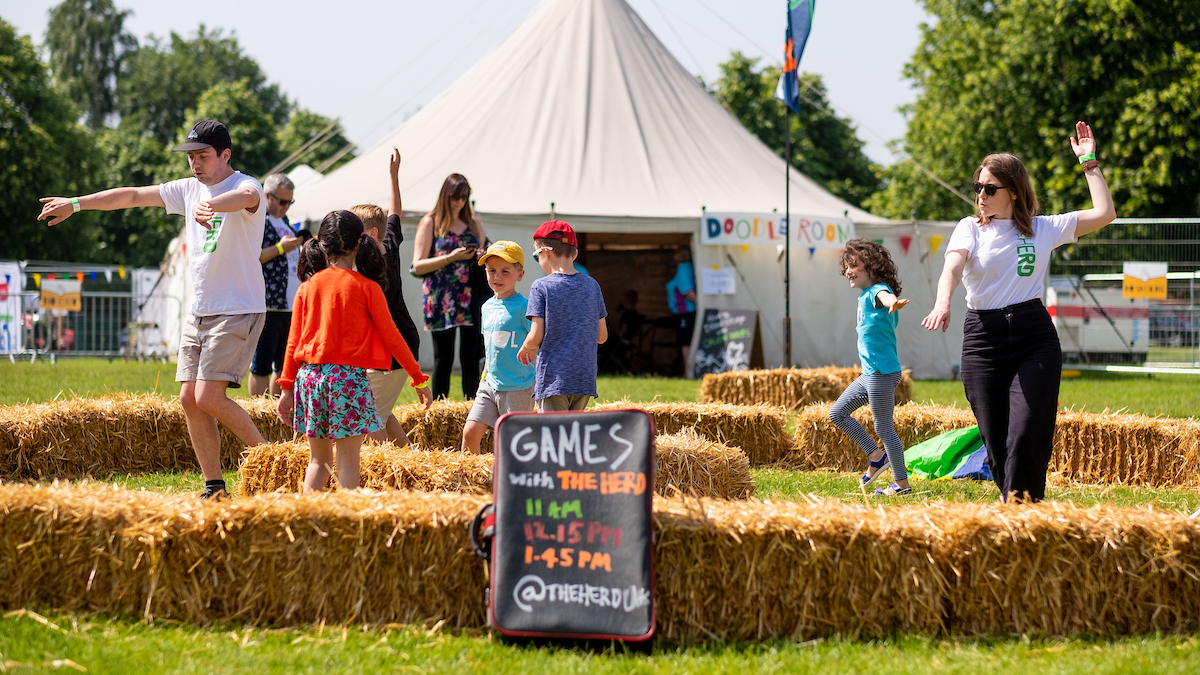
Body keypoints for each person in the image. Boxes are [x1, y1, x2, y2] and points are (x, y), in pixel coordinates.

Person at [37, 119, 268, 500]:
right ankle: (215, 487)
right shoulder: (187, 189)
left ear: (225, 155)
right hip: (201, 309)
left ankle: (273, 461)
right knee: (188, 399)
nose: (195, 163)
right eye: (191, 156)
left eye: (203, 156)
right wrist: (76, 204)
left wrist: (210, 204)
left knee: (208, 397)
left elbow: (245, 198)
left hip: (237, 308)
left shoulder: (246, 185)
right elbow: (130, 195)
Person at [921, 121, 1116, 502]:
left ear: (1012, 191)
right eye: (977, 186)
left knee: (1027, 430)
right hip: (983, 338)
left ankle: (1020, 513)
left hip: (1033, 335)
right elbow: (953, 267)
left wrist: (1089, 163)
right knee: (996, 442)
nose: (980, 194)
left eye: (989, 188)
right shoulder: (969, 229)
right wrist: (942, 301)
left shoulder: (1043, 229)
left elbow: (1105, 212)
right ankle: (1018, 503)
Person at [276, 210, 432, 491]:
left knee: (317, 461)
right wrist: (418, 378)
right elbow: (394, 338)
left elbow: (293, 342)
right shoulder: (368, 288)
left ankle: (306, 521)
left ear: (322, 245)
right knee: (348, 461)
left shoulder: (306, 288)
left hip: (309, 380)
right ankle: (345, 519)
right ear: (360, 243)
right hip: (347, 380)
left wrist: (287, 387)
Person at [828, 239, 911, 496]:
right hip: (870, 374)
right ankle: (875, 456)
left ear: (872, 268)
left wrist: (892, 302)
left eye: (855, 265)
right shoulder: (865, 295)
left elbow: (885, 297)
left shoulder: (877, 290)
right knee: (837, 414)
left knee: (884, 428)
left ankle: (901, 484)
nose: (849, 271)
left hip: (881, 373)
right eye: (847, 266)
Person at [350, 148, 422, 445]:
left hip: (391, 348)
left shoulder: (371, 265)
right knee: (383, 409)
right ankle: (412, 460)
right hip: (397, 344)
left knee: (369, 418)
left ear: (372, 232)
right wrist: (394, 177)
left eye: (355, 231)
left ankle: (386, 467)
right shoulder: (388, 244)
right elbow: (396, 213)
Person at [517, 220, 608, 412]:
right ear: (574, 253)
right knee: (572, 436)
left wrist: (526, 347)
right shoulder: (593, 286)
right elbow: (602, 337)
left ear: (545, 252)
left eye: (536, 256)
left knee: (553, 438)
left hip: (553, 379)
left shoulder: (541, 287)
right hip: (584, 379)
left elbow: (535, 335)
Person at [411, 174, 485, 400]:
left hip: (470, 296)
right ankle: (440, 406)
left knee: (471, 357)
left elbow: (483, 254)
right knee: (442, 358)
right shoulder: (430, 222)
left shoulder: (473, 222)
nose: (459, 202)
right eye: (455, 197)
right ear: (445, 195)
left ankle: (471, 405)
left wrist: (480, 254)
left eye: (464, 197)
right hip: (441, 297)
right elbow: (417, 265)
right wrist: (450, 258)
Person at [461, 241, 536, 453]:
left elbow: (538, 339)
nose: (497, 277)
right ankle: (467, 482)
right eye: (491, 271)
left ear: (520, 275)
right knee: (470, 432)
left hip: (518, 385)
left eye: (505, 271)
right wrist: (484, 375)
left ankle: (514, 482)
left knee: (514, 442)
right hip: (489, 384)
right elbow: (489, 346)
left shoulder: (525, 307)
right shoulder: (486, 307)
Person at [249, 172, 304, 397]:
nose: (285, 207)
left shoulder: (286, 222)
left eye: (289, 202)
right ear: (267, 196)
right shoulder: (257, 219)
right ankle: (259, 414)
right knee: (261, 363)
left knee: (283, 366)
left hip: (289, 304)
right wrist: (282, 248)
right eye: (281, 201)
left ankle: (275, 413)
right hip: (268, 303)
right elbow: (253, 256)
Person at [665, 248, 697, 369]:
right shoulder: (686, 269)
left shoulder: (684, 269)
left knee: (685, 341)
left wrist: (701, 304)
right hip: (683, 312)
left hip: (685, 312)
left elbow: (688, 292)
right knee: (685, 340)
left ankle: (688, 370)